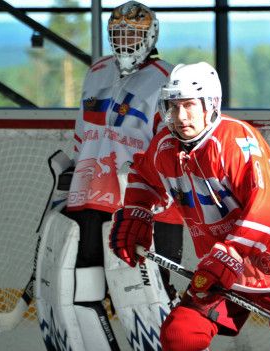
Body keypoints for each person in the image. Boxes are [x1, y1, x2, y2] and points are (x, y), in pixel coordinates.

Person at [109, 61, 270, 351]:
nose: (180, 116)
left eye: (190, 105)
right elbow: (143, 176)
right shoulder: (164, 146)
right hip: (223, 273)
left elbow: (268, 208)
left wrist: (231, 254)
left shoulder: (235, 140)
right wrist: (137, 214)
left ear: (211, 104)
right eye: (173, 105)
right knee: (181, 335)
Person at [49, 1, 184, 350]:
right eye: (118, 33)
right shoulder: (97, 71)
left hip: (149, 206)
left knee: (151, 294)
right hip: (91, 197)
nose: (125, 40)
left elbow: (174, 149)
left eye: (133, 33)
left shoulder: (168, 78)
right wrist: (72, 172)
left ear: (151, 35)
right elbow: (83, 133)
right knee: (85, 288)